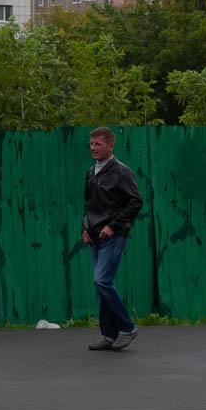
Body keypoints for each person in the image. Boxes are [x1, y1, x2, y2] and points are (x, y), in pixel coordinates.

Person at [81, 127, 144, 351]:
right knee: (100, 287)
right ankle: (109, 335)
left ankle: (128, 328)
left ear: (110, 145)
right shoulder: (91, 172)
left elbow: (135, 202)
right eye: (91, 144)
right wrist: (85, 228)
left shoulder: (121, 172)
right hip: (95, 236)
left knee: (102, 281)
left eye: (98, 144)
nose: (93, 148)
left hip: (114, 236)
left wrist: (113, 226)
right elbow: (88, 205)